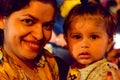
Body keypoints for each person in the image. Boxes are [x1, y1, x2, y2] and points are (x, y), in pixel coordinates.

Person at [0, 0, 69, 80]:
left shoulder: (56, 65)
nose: (39, 35)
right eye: (28, 21)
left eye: (47, 25)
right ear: (2, 21)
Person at [63, 0, 120, 80]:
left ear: (109, 43)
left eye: (94, 37)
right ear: (67, 41)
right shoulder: (69, 68)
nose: (84, 44)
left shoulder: (106, 72)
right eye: (77, 37)